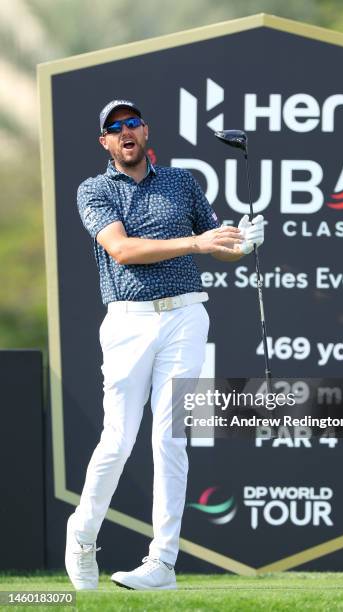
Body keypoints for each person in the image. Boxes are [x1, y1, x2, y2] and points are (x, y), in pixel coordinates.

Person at [65, 99, 265, 591]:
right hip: (127, 323)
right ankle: (83, 537)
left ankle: (163, 563)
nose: (126, 130)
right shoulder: (94, 190)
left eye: (133, 123)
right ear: (105, 143)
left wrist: (244, 243)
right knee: (118, 441)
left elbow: (219, 245)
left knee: (170, 439)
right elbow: (123, 249)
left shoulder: (180, 183)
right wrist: (199, 244)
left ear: (146, 131)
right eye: (115, 127)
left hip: (185, 317)